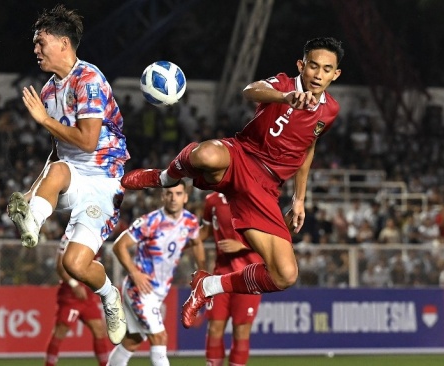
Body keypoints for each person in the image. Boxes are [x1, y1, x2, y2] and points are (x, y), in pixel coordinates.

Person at [121, 37, 344, 328]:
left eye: (326, 69)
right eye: (313, 66)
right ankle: (163, 177)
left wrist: (299, 199)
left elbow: (308, 148)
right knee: (206, 155)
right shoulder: (283, 84)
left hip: (265, 187)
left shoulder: (331, 111)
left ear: (335, 74)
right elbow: (251, 90)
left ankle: (207, 287)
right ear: (301, 65)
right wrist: (284, 98)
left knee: (285, 275)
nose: (318, 74)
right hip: (241, 154)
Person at [6, 4, 130, 344]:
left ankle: (109, 297)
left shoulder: (88, 79)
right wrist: (33, 191)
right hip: (71, 174)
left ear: (63, 43)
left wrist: (44, 121)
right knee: (59, 169)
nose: (35, 49)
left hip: (104, 182)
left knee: (76, 265)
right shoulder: (48, 91)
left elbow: (89, 142)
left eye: (40, 42)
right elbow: (57, 154)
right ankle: (32, 219)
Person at [108, 182, 206, 366]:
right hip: (140, 289)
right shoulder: (150, 221)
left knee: (133, 339)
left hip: (158, 291)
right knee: (160, 338)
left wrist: (202, 270)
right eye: (169, 193)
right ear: (163, 197)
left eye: (178, 194)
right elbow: (119, 245)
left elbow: (197, 243)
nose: (173, 198)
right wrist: (135, 273)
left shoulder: (190, 221)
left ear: (185, 197)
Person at [199, 192, 263, 366]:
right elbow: (203, 233)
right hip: (221, 275)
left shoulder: (255, 197)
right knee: (214, 328)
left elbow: (270, 237)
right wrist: (181, 235)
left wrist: (242, 245)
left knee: (241, 332)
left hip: (249, 278)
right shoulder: (212, 200)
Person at [45, 237, 109, 366]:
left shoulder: (97, 235)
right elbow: (60, 266)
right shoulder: (69, 236)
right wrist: (74, 285)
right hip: (71, 295)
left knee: (99, 329)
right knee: (61, 330)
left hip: (88, 295)